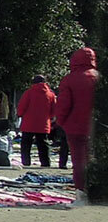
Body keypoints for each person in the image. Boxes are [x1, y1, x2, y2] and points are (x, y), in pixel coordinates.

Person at [55, 47, 98, 205]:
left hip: (76, 127)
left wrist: (61, 122)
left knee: (79, 162)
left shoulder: (70, 79)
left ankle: (82, 195)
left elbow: (63, 105)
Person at [17, 74, 57, 168]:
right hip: (43, 123)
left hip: (28, 122)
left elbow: (22, 106)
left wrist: (20, 114)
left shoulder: (29, 92)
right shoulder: (51, 94)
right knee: (43, 144)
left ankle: (26, 162)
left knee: (26, 144)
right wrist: (49, 117)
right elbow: (54, 110)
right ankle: (45, 163)